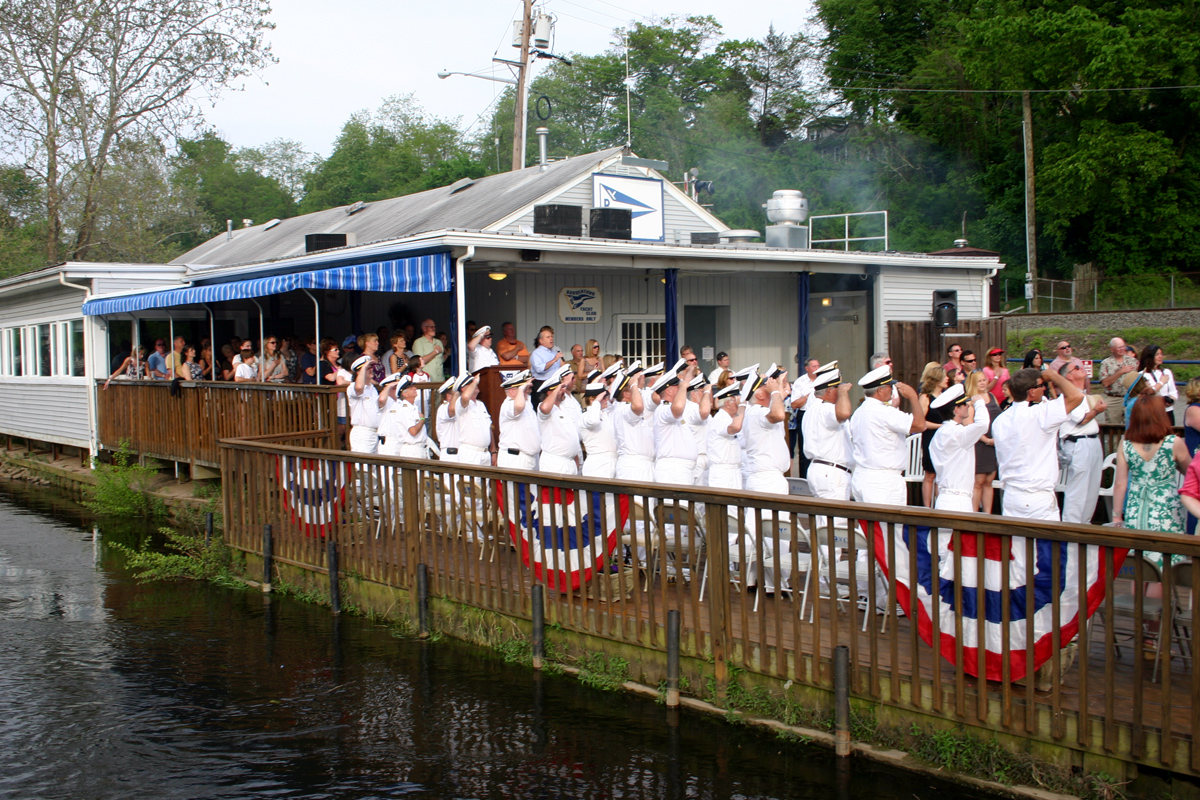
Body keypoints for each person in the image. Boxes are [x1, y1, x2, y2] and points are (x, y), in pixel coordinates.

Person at [992, 367, 1083, 520]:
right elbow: (1077, 396)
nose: (1044, 388)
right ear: (1031, 392)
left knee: (1018, 543)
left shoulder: (1000, 420)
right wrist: (1054, 376)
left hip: (1011, 495)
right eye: (1041, 385)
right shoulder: (1039, 414)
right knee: (1045, 543)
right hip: (1036, 496)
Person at [1113, 395, 1190, 566]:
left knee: (1139, 562)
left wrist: (1117, 515)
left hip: (1136, 506)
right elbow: (1191, 472)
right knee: (1164, 563)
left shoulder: (1125, 443)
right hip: (1165, 509)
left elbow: (1120, 483)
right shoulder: (1173, 442)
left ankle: (1137, 593)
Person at [848, 365, 925, 507]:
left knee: (869, 528)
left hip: (863, 475)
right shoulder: (884, 412)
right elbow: (920, 425)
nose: (892, 390)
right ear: (880, 390)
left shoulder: (859, 411)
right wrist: (913, 397)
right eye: (889, 386)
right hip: (883, 481)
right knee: (888, 528)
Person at [802, 366, 854, 532]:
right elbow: (844, 413)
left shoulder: (812, 409)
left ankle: (823, 558)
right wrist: (844, 393)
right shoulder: (825, 409)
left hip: (821, 469)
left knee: (824, 524)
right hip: (831, 471)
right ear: (830, 391)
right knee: (834, 527)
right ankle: (830, 558)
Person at [1057, 361, 1107, 524]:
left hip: (1092, 441)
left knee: (1092, 491)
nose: (1082, 368)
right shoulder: (1069, 396)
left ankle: (1085, 527)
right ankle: (1071, 530)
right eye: (1076, 367)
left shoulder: (1084, 394)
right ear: (1069, 376)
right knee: (1078, 491)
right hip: (1078, 442)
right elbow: (1081, 420)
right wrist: (1096, 411)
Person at [929, 384, 990, 513]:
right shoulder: (957, 433)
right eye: (964, 404)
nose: (968, 406)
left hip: (944, 497)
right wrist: (979, 403)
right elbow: (983, 425)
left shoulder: (940, 433)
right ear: (956, 409)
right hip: (958, 500)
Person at [651, 363, 703, 487]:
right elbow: (678, 407)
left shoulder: (670, 409)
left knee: (683, 506)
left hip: (681, 470)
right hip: (673, 470)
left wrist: (689, 372)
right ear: (669, 390)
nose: (680, 389)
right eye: (677, 387)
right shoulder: (663, 409)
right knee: (674, 506)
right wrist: (683, 387)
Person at [537, 366, 583, 476]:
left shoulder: (562, 409)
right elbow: (544, 408)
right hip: (555, 463)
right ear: (550, 393)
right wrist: (558, 389)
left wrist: (574, 455)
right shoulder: (544, 408)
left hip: (569, 461)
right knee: (555, 494)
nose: (563, 391)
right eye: (559, 389)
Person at [964, 370, 999, 514]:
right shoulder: (969, 400)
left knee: (989, 481)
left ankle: (988, 514)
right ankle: (974, 514)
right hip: (979, 444)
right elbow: (969, 424)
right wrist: (987, 440)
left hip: (994, 443)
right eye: (980, 381)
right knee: (978, 481)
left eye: (984, 380)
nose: (983, 383)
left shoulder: (992, 396)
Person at [613, 370, 655, 484]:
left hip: (642, 466)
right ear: (627, 394)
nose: (639, 393)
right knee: (636, 502)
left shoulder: (624, 409)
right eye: (634, 390)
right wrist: (633, 384)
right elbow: (638, 406)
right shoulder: (624, 409)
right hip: (635, 467)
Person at [446, 372, 496, 466]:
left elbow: (488, 429)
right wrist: (476, 381)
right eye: (471, 384)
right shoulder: (461, 403)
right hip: (470, 454)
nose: (475, 385)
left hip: (485, 453)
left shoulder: (481, 404)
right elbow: (465, 397)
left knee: (487, 481)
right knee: (470, 481)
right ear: (463, 389)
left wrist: (493, 452)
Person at [377, 375, 430, 458]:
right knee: (389, 470)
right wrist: (389, 386)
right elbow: (381, 400)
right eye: (394, 387)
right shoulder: (386, 402)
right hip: (389, 442)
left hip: (401, 442)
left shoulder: (403, 404)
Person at [707, 381, 747, 491]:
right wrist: (742, 406)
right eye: (736, 401)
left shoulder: (728, 418)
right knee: (727, 508)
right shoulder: (721, 418)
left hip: (733, 471)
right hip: (723, 472)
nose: (738, 404)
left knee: (735, 507)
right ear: (728, 403)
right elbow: (735, 427)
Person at [497, 370, 540, 471]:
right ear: (512, 391)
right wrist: (521, 389)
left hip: (530, 459)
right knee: (517, 487)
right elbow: (519, 406)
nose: (528, 391)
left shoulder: (528, 404)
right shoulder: (508, 404)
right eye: (526, 389)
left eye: (528, 388)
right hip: (516, 459)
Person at [918, 364, 948, 507]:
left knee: (942, 474)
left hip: (945, 438)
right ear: (937, 379)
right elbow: (921, 421)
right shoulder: (926, 397)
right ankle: (927, 506)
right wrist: (940, 426)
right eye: (944, 377)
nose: (948, 379)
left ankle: (940, 505)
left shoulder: (947, 396)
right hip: (931, 436)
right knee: (930, 474)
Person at [344, 355, 382, 453]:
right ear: (358, 372)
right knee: (363, 467)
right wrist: (364, 367)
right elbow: (359, 388)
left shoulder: (372, 388)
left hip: (374, 433)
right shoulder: (352, 387)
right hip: (362, 434)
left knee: (373, 467)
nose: (371, 370)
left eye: (371, 367)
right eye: (367, 368)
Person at [580, 381, 618, 478]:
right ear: (592, 399)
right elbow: (593, 421)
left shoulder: (604, 415)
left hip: (611, 462)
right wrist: (597, 402)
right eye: (604, 397)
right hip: (598, 465)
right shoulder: (586, 416)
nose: (607, 400)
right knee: (597, 493)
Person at [1099, 337, 1140, 424]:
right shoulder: (1106, 363)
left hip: (1130, 398)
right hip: (1113, 398)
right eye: (1119, 347)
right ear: (1112, 349)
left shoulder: (1133, 362)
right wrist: (1121, 371)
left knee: (1132, 425)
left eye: (1123, 346)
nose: (1122, 349)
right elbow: (1105, 383)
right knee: (1113, 427)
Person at [790, 358, 819, 477]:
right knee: (804, 448)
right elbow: (794, 404)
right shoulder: (800, 382)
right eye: (814, 366)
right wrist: (807, 397)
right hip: (805, 413)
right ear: (807, 368)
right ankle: (804, 478)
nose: (817, 369)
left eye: (818, 366)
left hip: (820, 414)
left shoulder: (823, 379)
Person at [1138, 344, 1177, 423]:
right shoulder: (1142, 374)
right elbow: (1148, 392)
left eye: (1161, 354)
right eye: (1157, 354)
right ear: (1149, 357)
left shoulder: (1167, 372)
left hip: (1168, 411)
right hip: (1152, 411)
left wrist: (1171, 400)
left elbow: (1173, 391)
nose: (1160, 356)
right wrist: (1161, 382)